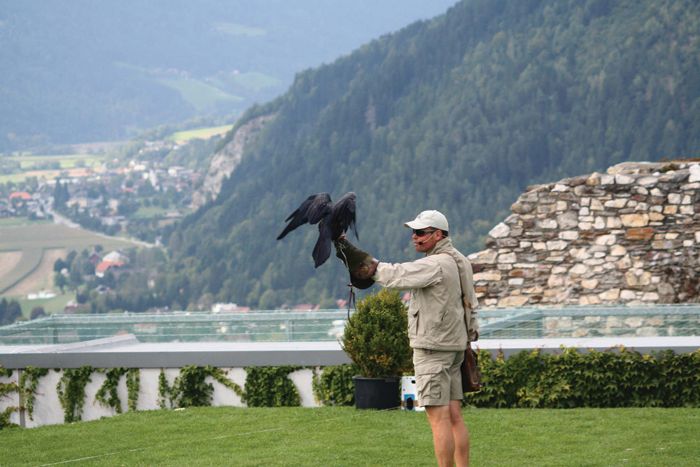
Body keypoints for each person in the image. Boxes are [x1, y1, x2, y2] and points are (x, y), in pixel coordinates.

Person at [335, 210, 479, 467]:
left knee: (439, 419)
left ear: (438, 234)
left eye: (421, 232)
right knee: (455, 416)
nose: (414, 237)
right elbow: (472, 304)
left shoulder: (435, 264)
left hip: (433, 349)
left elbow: (395, 275)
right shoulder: (461, 261)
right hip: (456, 346)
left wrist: (352, 252)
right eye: (413, 231)